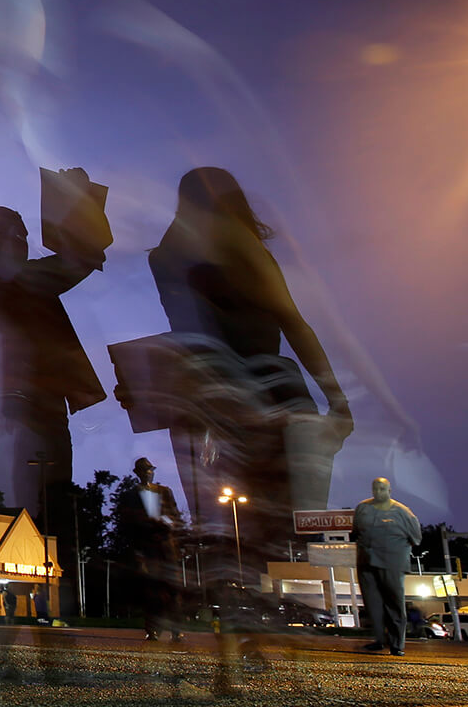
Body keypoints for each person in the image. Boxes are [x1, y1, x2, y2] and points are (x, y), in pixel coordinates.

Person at [148, 167, 352, 570]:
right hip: (268, 388)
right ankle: (282, 601)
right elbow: (292, 321)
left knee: (224, 520)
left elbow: (183, 334)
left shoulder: (164, 257)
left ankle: (238, 604)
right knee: (286, 518)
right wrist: (337, 398)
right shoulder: (239, 242)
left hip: (205, 395)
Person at [0, 176, 107, 607]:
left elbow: (83, 257)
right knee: (22, 508)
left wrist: (77, 201)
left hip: (39, 411)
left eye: (25, 233)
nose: (25, 240)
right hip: (6, 414)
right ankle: (23, 598)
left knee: (44, 506)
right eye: (17, 233)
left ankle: (43, 599)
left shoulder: (29, 279)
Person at [353, 476, 420, 656]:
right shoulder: (363, 509)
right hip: (366, 562)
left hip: (392, 564)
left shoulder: (402, 512)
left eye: (382, 489)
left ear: (389, 491)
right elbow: (356, 532)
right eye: (375, 489)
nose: (378, 492)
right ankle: (379, 640)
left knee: (394, 602)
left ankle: (397, 643)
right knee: (373, 604)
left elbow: (416, 538)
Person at [125, 457, 183, 641]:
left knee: (173, 590)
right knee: (151, 591)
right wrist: (138, 553)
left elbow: (175, 515)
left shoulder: (165, 492)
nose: (148, 473)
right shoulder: (132, 495)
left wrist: (167, 523)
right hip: (148, 548)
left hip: (167, 548)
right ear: (137, 473)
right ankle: (153, 629)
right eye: (144, 470)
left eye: (150, 470)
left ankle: (176, 629)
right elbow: (129, 525)